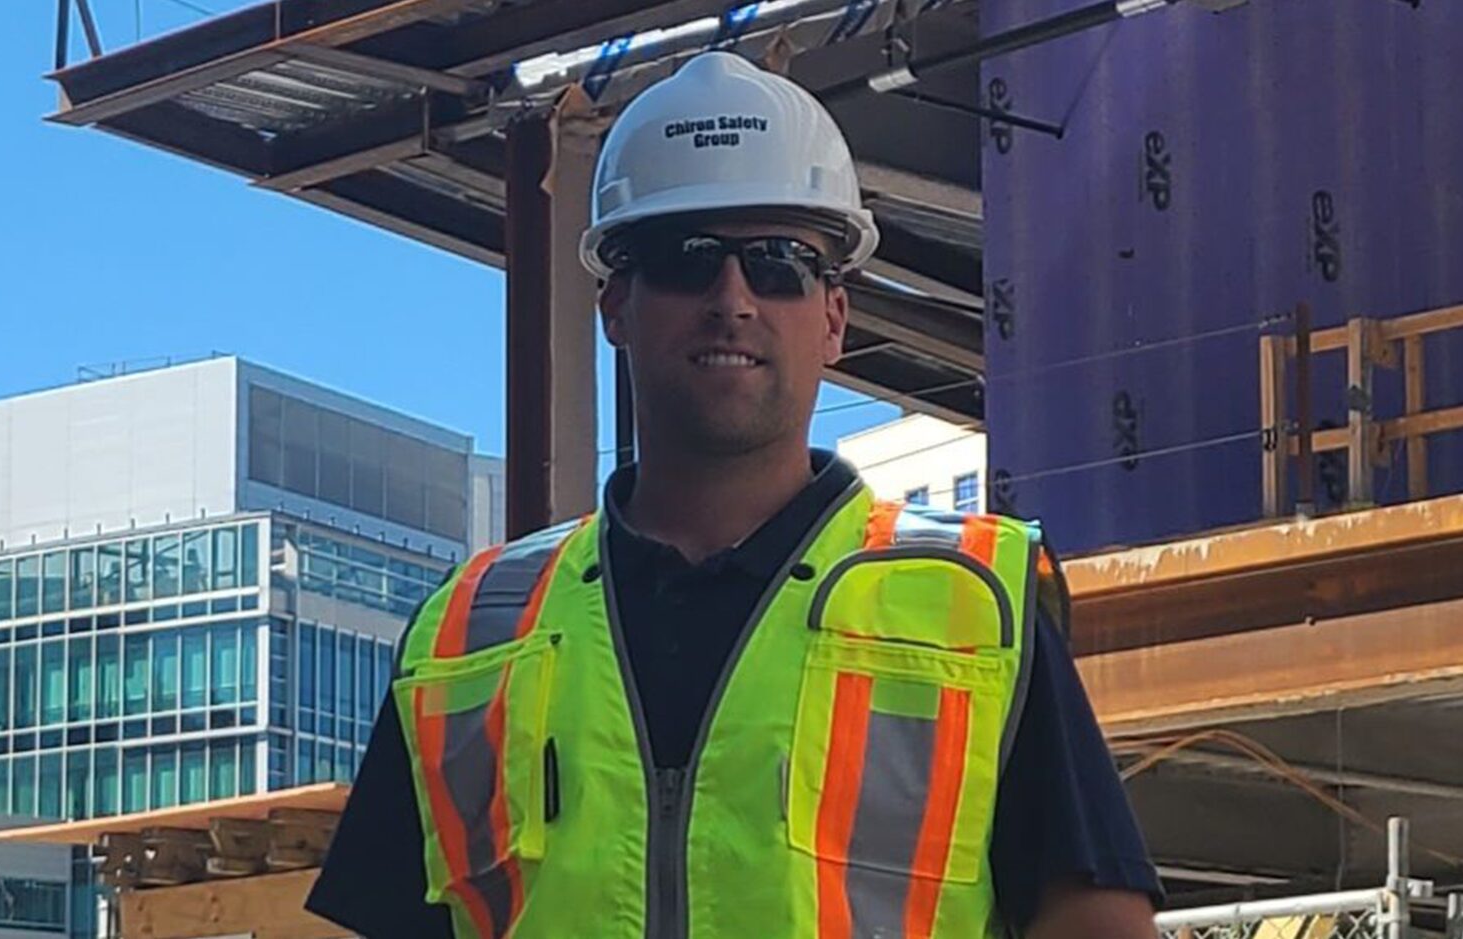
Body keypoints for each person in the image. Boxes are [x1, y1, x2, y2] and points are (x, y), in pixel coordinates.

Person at [306, 50, 1161, 939]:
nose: (733, 298)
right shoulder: (471, 635)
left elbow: (1095, 921)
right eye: (686, 258)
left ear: (834, 314)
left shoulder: (972, 606)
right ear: (615, 305)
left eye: (781, 262)